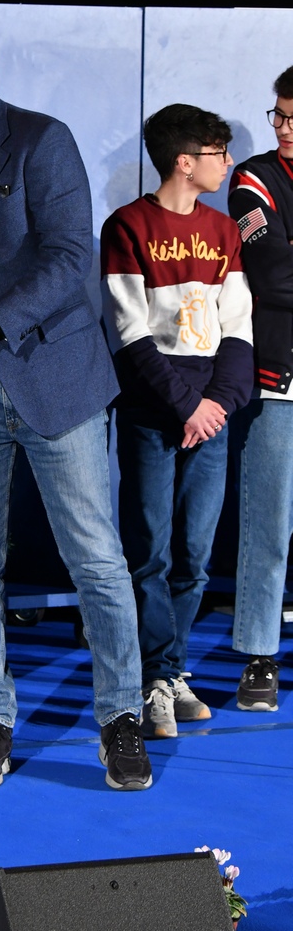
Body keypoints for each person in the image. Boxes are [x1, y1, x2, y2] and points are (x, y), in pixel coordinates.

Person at [0, 7, 151, 792]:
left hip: (54, 378)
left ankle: (121, 718)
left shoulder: (42, 139)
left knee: (96, 559)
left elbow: (71, 255)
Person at [100, 104, 253, 738]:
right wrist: (186, 405)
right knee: (151, 552)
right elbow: (129, 333)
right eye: (219, 152)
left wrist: (215, 406)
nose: (229, 163)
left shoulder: (223, 230)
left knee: (195, 554)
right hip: (153, 412)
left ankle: (172, 671)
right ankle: (151, 678)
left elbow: (238, 327)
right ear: (185, 162)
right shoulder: (127, 226)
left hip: (210, 416)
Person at [227, 64, 293, 711]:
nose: (284, 128)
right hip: (278, 379)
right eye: (279, 115)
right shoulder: (252, 178)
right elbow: (271, 273)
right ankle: (259, 655)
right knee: (268, 524)